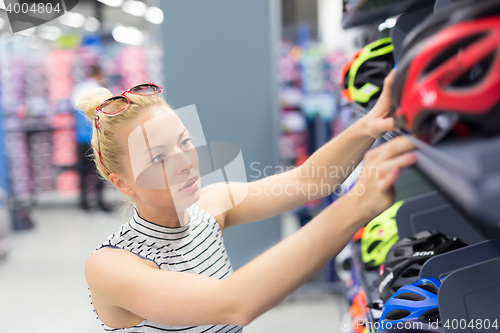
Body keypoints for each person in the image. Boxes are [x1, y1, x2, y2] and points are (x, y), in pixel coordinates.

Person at [78, 71, 417, 332]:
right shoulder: (111, 267)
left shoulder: (209, 208)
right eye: (157, 158)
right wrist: (355, 208)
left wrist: (369, 126)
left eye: (184, 142)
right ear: (122, 183)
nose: (184, 161)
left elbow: (308, 181)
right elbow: (232, 303)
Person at [72, 65, 110, 212]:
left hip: (80, 137)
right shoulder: (99, 91)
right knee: (99, 171)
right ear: (99, 74)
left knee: (82, 172)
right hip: (95, 137)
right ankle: (100, 203)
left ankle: (84, 204)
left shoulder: (78, 89)